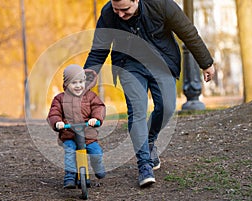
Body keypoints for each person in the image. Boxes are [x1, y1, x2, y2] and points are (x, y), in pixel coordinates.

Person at [83, 0, 215, 187]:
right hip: (129, 65)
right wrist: (87, 76)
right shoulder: (108, 14)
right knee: (137, 110)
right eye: (116, 9)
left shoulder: (161, 4)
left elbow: (188, 32)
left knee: (167, 107)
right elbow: (99, 49)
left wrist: (206, 62)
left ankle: (150, 140)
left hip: (162, 62)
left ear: (136, 0)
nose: (120, 14)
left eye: (125, 9)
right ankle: (144, 164)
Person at [47, 64, 106, 189]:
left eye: (81, 82)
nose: (78, 86)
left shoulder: (90, 96)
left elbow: (99, 107)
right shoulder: (60, 99)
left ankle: (98, 166)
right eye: (74, 83)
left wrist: (95, 119)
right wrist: (58, 122)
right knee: (70, 152)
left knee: (96, 152)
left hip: (88, 134)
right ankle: (70, 176)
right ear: (66, 84)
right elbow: (54, 112)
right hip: (69, 134)